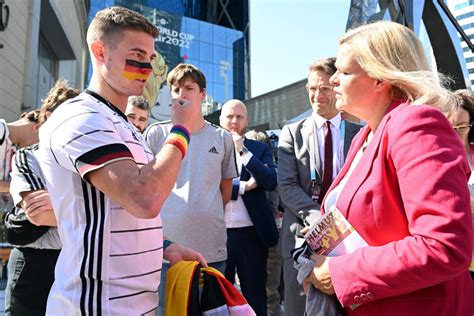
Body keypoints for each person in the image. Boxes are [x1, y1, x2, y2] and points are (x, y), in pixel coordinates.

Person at [36, 7, 206, 315]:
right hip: (94, 305)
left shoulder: (124, 125)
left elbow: (120, 216)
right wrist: (180, 128)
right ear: (101, 52)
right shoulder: (82, 117)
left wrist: (167, 248)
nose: (147, 68)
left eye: (151, 59)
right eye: (137, 54)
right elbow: (144, 197)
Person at [305, 21, 472, 315]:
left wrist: (340, 272)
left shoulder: (417, 124)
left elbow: (444, 246)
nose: (333, 81)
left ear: (380, 79)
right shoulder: (365, 135)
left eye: (344, 72)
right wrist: (316, 253)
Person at [144, 63, 237, 315]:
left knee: (213, 311)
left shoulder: (222, 138)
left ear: (203, 94)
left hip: (212, 246)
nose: (181, 95)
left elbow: (225, 189)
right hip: (164, 251)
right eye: (175, 89)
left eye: (189, 88)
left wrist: (203, 209)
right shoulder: (155, 134)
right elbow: (145, 188)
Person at [277, 57, 361, 316]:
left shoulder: (359, 133)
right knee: (299, 309)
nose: (317, 95)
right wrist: (322, 221)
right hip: (302, 239)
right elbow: (287, 186)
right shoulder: (292, 133)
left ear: (336, 87)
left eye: (324, 88)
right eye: (312, 89)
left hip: (349, 240)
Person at [3, 80, 79, 315]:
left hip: (72, 262)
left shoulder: (85, 161)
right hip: (33, 261)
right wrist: (83, 209)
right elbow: (38, 213)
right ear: (47, 116)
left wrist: (58, 203)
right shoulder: (28, 156)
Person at [219, 100, 278, 315]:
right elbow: (208, 184)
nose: (234, 121)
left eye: (239, 117)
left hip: (252, 235)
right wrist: (243, 187)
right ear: (220, 119)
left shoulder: (259, 149)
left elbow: (270, 180)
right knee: (217, 298)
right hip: (218, 233)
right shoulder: (210, 147)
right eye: (229, 116)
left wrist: (242, 151)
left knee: (255, 299)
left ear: (247, 120)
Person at [245, 129, 284, 316]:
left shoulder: (266, 173)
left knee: (268, 292)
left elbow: (272, 203)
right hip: (267, 237)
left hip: (265, 237)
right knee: (269, 292)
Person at [446, 89, 474, 278]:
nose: (456, 133)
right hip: (458, 241)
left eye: (462, 127)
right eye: (450, 127)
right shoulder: (438, 155)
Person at [0, 111, 41, 212]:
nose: (38, 146)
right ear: (37, 127)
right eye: (41, 139)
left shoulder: (13, 150)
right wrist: (20, 186)